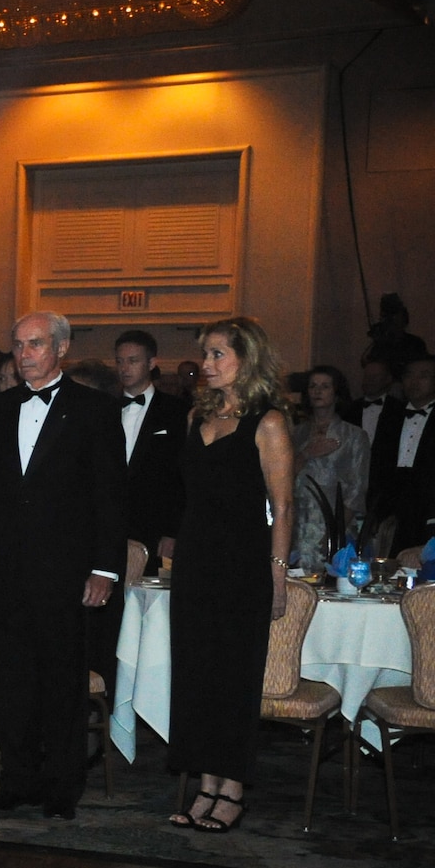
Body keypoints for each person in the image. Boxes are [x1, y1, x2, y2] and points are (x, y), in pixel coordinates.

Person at [0, 311, 126, 821]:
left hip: (65, 570)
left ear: (60, 348)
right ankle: (17, 781)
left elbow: (109, 497)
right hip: (6, 569)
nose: (24, 353)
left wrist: (105, 568)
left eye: (34, 343)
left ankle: (61, 788)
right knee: (11, 682)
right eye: (18, 344)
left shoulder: (95, 409)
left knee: (61, 680)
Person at [166, 317, 295, 834]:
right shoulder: (196, 416)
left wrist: (278, 574)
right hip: (195, 561)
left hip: (243, 564)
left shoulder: (268, 422)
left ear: (247, 359)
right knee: (195, 675)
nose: (208, 364)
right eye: (207, 354)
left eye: (219, 354)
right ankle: (205, 783)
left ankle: (233, 788)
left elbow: (283, 508)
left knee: (233, 677)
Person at [93, 330, 192, 682]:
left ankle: (147, 691)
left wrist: (173, 531)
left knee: (149, 616)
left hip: (153, 529)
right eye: (119, 361)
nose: (124, 368)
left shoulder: (178, 412)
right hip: (107, 528)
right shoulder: (101, 408)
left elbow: (185, 478)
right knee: (107, 613)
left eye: (132, 360)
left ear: (152, 363)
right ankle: (107, 692)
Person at [290, 365, 369, 570]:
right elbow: (282, 478)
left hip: (336, 523)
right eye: (313, 386)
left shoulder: (354, 436)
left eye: (325, 386)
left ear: (336, 393)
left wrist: (334, 533)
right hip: (296, 523)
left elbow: (357, 490)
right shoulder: (295, 433)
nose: (317, 391)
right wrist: (306, 454)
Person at [369, 354, 435, 551]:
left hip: (428, 506)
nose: (414, 382)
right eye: (409, 375)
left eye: (423, 376)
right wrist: (374, 510)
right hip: (392, 507)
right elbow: (377, 464)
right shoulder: (390, 416)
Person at [363, 292, 430, 373]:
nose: (390, 319)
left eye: (394, 314)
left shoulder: (415, 344)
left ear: (404, 317)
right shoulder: (380, 345)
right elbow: (366, 363)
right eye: (385, 316)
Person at [353, 358, 396, 444]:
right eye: (366, 376)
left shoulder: (398, 409)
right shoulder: (351, 408)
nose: (369, 380)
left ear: (388, 379)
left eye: (375, 376)